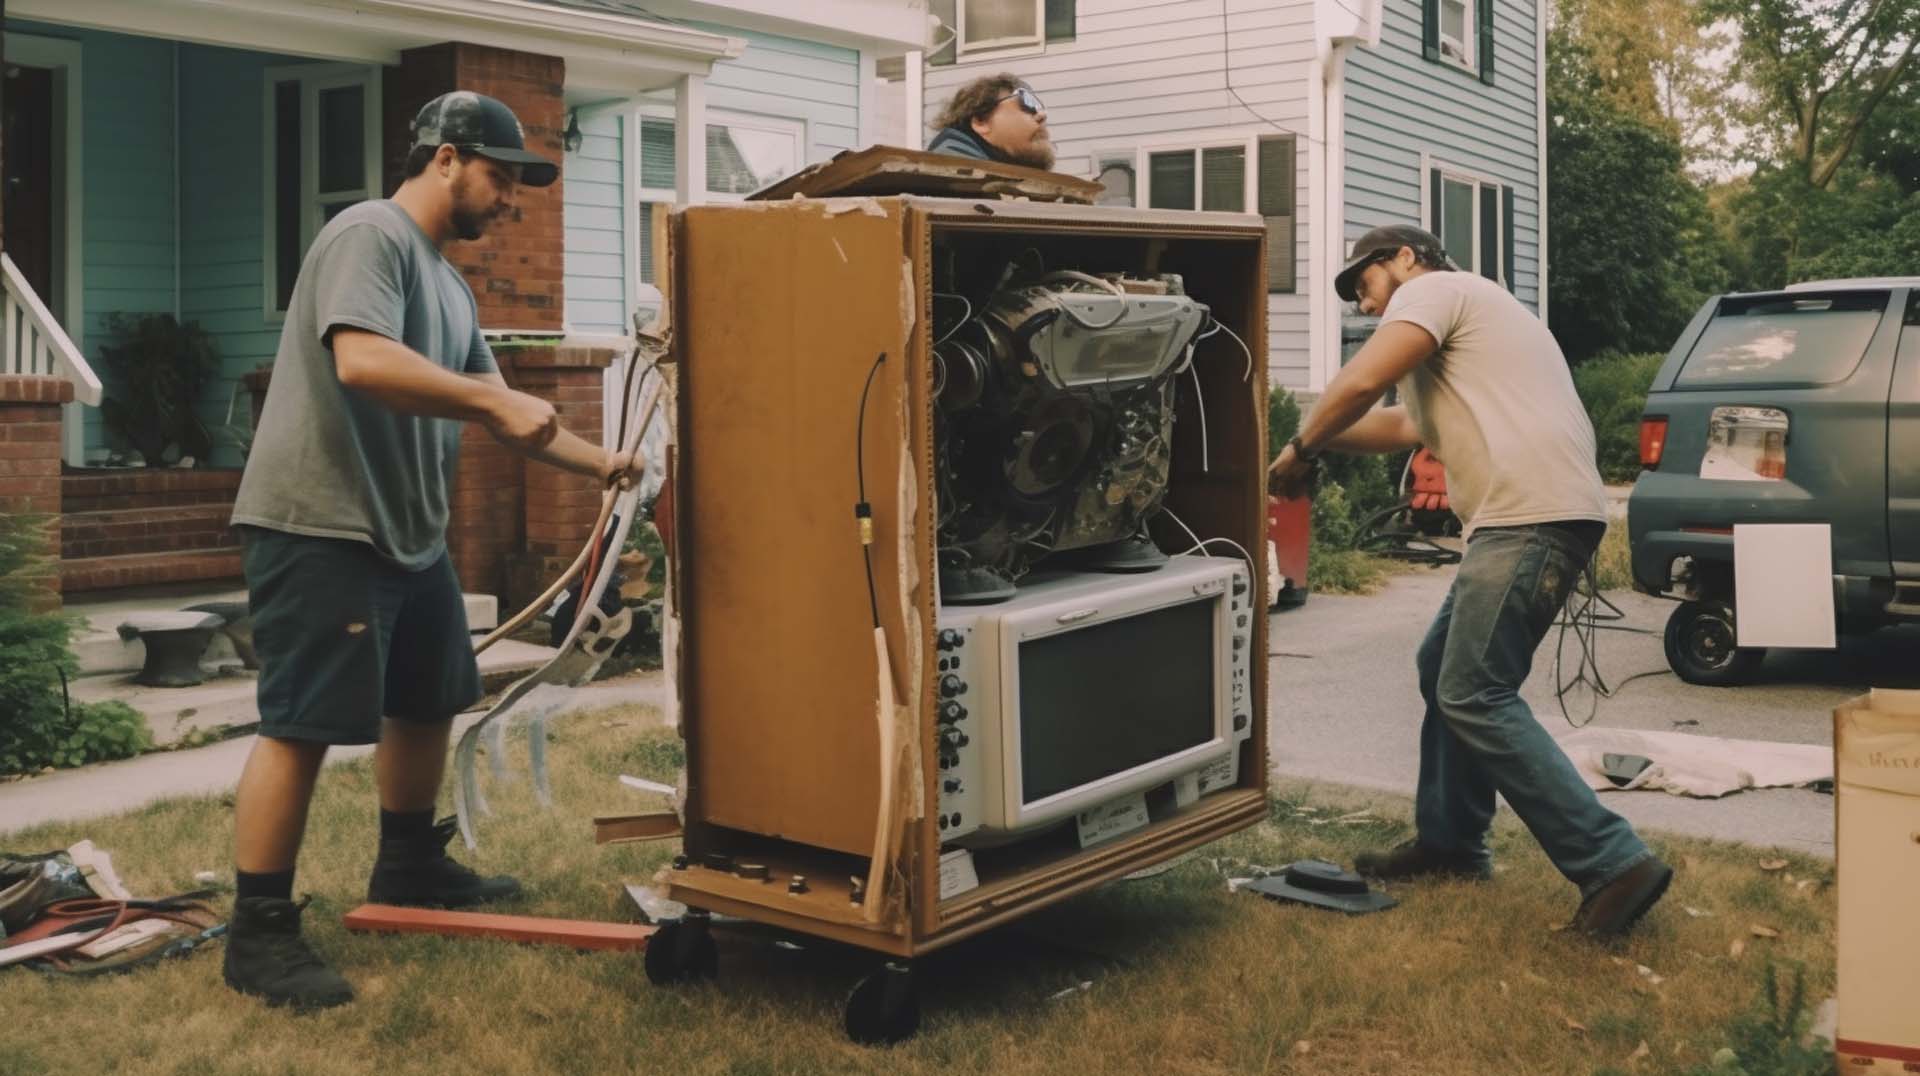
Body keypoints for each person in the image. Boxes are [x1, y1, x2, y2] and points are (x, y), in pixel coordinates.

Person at [223, 91, 639, 1010]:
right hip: (323, 522)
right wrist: (492, 403)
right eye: (500, 176)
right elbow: (364, 363)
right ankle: (258, 934)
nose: (510, 199)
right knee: (300, 726)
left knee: (425, 700)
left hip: (408, 534)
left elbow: (510, 415)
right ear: (446, 158)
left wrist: (604, 462)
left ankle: (407, 862)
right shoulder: (367, 235)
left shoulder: (449, 283)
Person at [1267, 224, 1672, 937]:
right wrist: (1300, 432)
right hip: (1526, 519)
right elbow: (1397, 426)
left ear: (1404, 259)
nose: (1363, 307)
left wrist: (1301, 449)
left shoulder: (1441, 290)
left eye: (1362, 285)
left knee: (1473, 692)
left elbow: (1361, 382)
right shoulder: (1464, 338)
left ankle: (1614, 861)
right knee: (1443, 670)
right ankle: (1452, 845)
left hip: (1529, 517)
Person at [926, 73, 1056, 170]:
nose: (1042, 115)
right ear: (981, 122)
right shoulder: (951, 178)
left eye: (1039, 106)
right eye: (1027, 103)